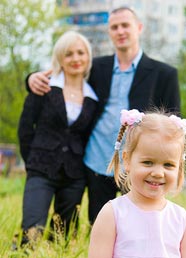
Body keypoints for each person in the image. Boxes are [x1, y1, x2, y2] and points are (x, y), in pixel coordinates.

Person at [25, 6, 181, 225]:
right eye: (114, 27)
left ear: (139, 28)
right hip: (97, 162)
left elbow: (174, 124)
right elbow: (65, 75)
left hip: (139, 165)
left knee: (138, 225)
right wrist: (31, 78)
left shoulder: (164, 74)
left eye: (125, 25)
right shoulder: (96, 67)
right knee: (98, 225)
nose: (120, 31)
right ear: (109, 33)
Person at [18, 30, 98, 245]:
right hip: (40, 169)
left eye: (81, 53)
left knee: (62, 236)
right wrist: (32, 160)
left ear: (88, 57)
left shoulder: (93, 97)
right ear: (60, 58)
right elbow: (25, 128)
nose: (75, 59)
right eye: (68, 54)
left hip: (74, 175)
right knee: (31, 231)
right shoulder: (43, 86)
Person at [88, 109, 186, 258]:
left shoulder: (183, 222)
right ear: (127, 160)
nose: (158, 173)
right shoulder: (113, 214)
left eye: (168, 165)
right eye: (148, 162)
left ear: (179, 166)